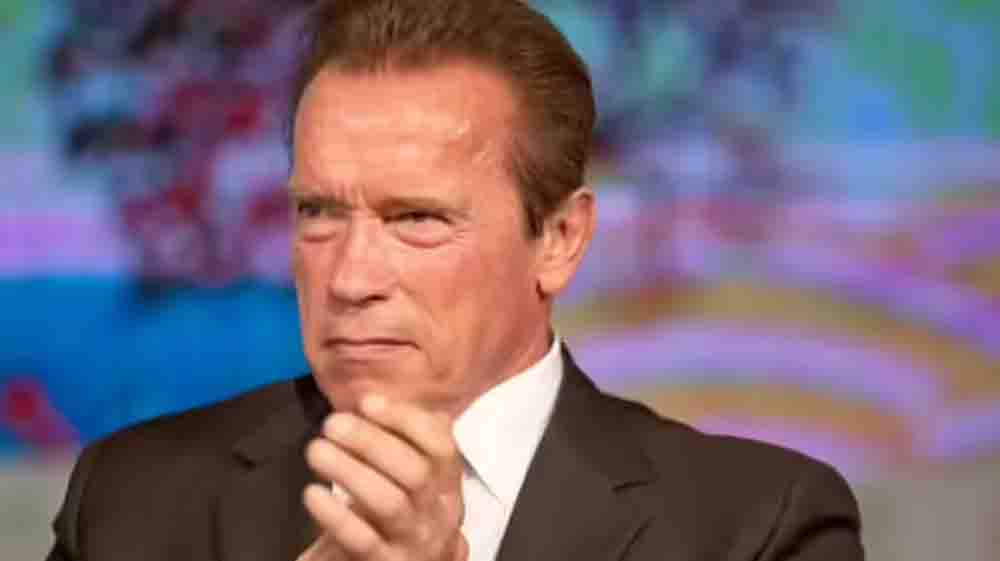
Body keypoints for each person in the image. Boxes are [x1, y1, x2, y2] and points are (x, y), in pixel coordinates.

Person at [47, 1, 865, 560]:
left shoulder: (757, 525)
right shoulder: (130, 500)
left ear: (560, 240)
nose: (351, 278)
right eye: (319, 213)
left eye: (417, 218)